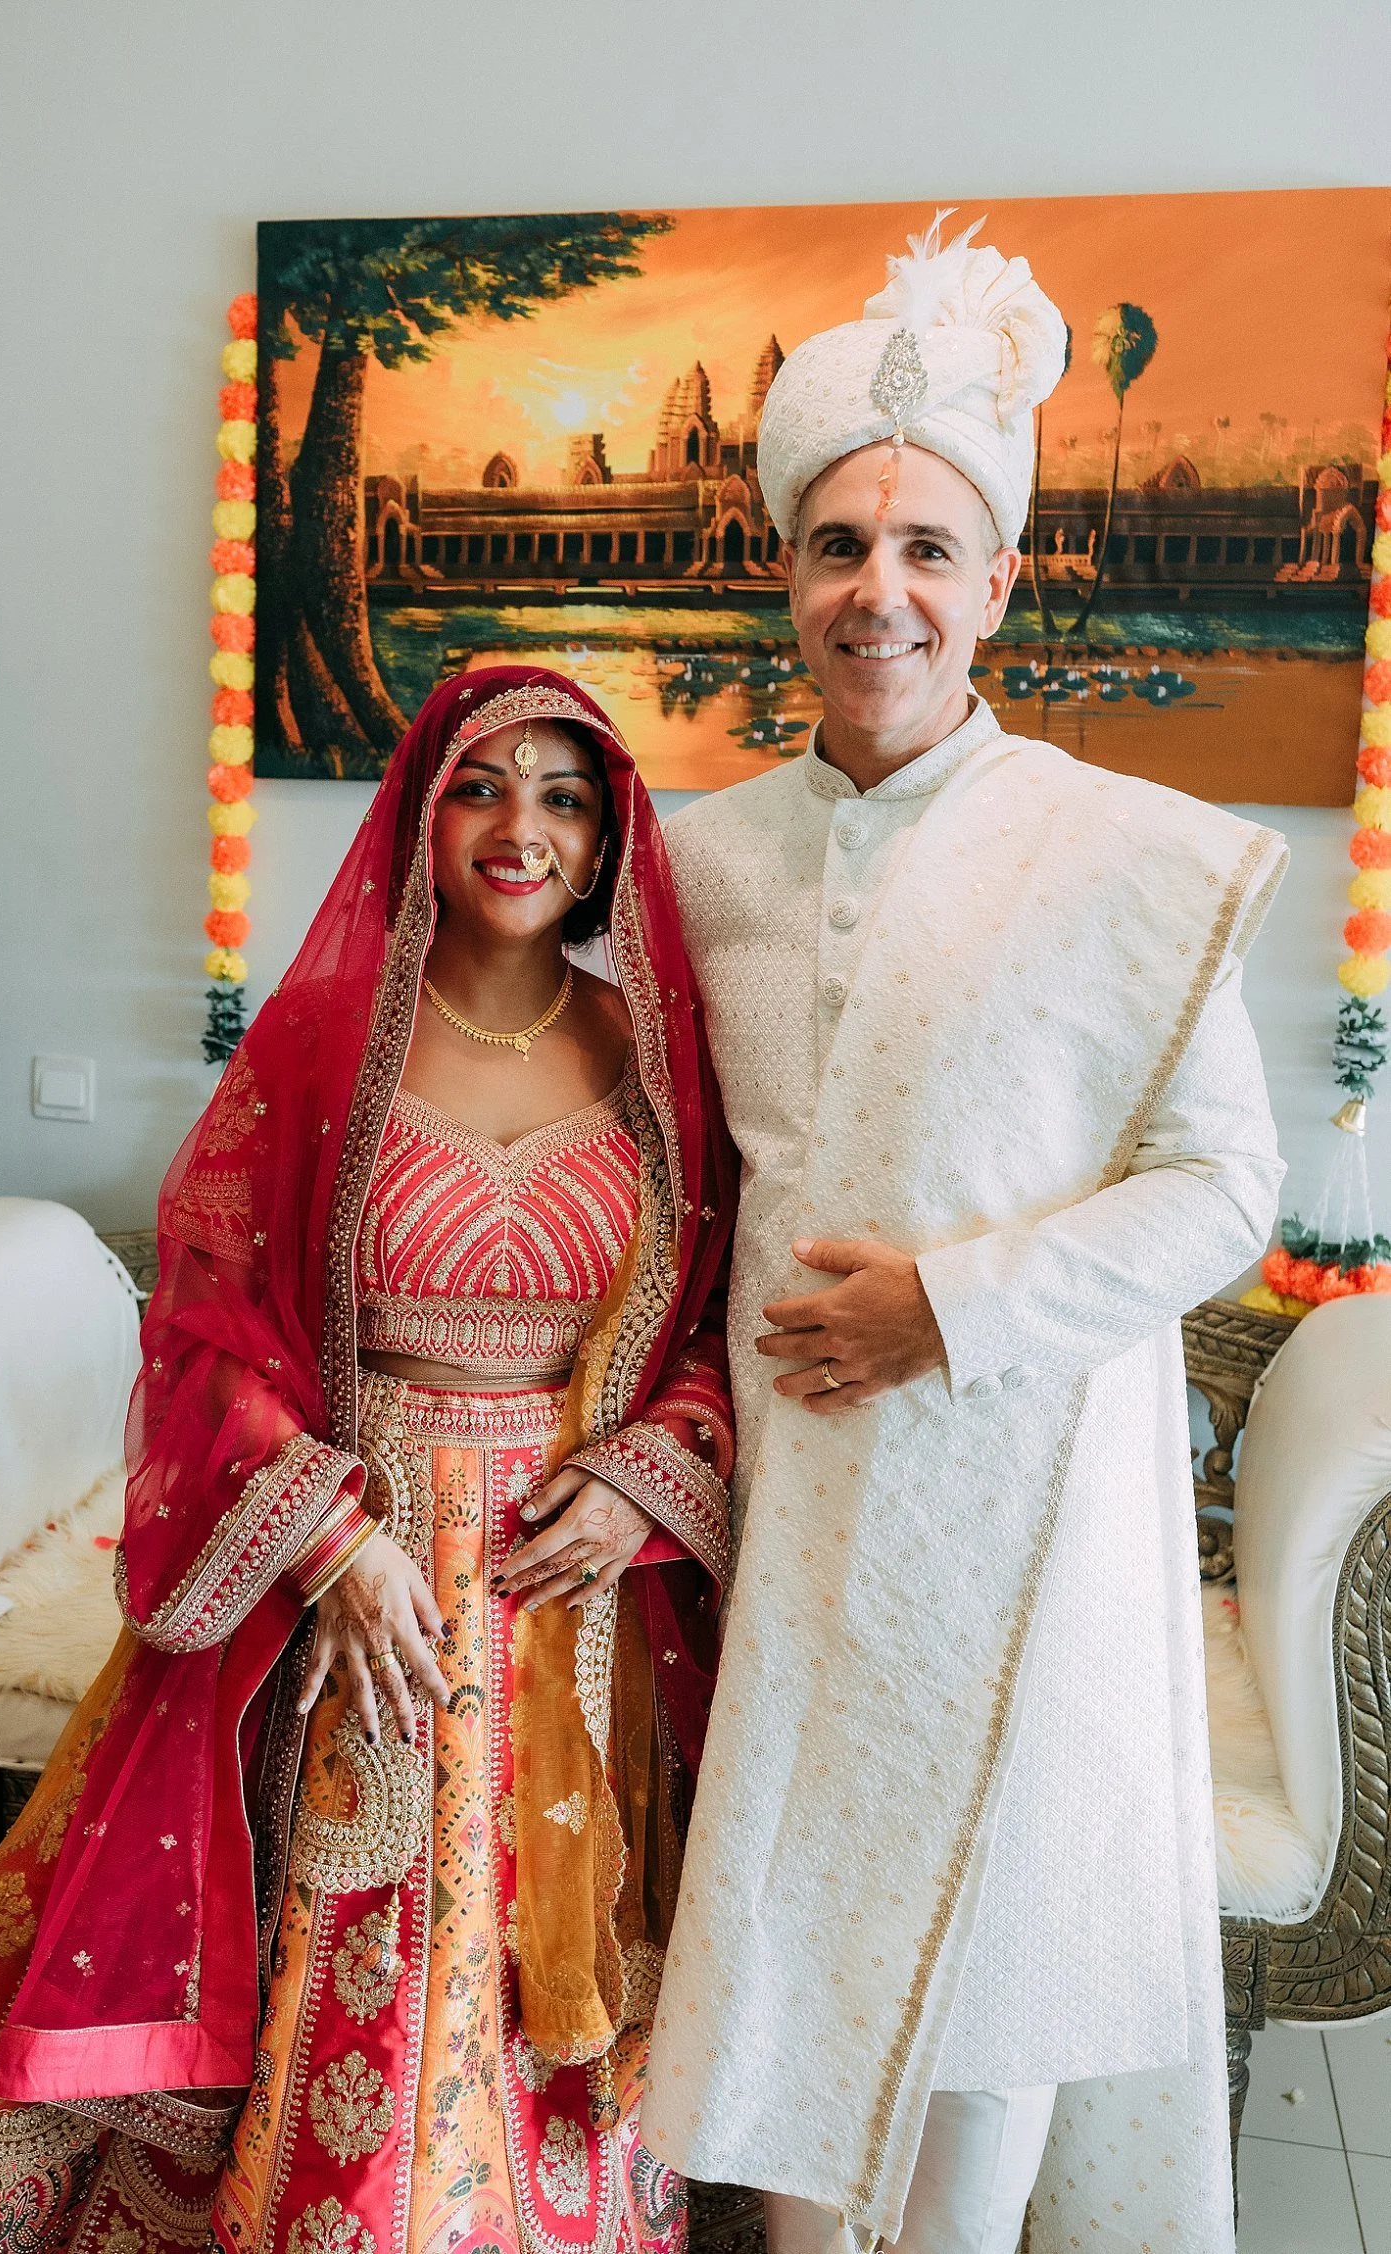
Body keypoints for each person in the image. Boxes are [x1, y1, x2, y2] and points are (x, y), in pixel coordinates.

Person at [0, 667, 736, 2254]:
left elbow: (714, 1318)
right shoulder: (324, 1044)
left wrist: (641, 1478)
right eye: (486, 784)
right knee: (362, 1924)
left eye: (565, 795)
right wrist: (333, 1545)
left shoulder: (658, 1057)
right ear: (422, 811)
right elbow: (206, 1326)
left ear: (611, 835)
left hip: (578, 1583)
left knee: (547, 1949)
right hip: (361, 1570)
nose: (522, 828)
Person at [641, 217, 1286, 2254]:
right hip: (782, 1502)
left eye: (929, 550)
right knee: (781, 1938)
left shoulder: (1121, 852)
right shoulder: (696, 859)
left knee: (989, 1970)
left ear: (1000, 582)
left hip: (1023, 1493)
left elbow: (1227, 1190)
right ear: (784, 572)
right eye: (841, 545)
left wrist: (958, 1304)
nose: (882, 591)